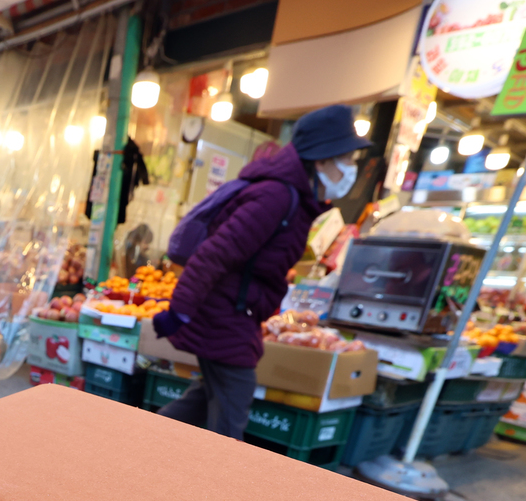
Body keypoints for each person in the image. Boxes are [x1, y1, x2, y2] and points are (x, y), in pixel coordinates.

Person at [152, 104, 369, 439]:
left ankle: (140, 442)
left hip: (233, 314)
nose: (353, 169)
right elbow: (214, 254)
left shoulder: (292, 196)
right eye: (349, 160)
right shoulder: (276, 196)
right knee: (231, 410)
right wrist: (179, 311)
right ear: (322, 160)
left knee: (207, 399)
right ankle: (214, 483)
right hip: (223, 317)